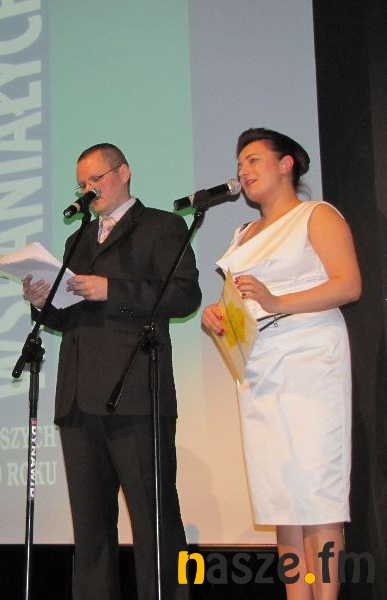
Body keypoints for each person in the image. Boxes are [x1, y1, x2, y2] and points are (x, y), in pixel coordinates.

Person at [22, 143, 201, 600]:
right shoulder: (77, 240)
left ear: (124, 172)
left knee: (155, 519)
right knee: (90, 529)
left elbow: (185, 295)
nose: (88, 190)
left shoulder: (162, 226)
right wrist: (44, 304)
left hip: (134, 393)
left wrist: (112, 289)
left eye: (96, 179)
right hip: (79, 399)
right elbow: (72, 316)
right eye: (82, 184)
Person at [201, 128, 361, 599]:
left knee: (318, 496)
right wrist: (218, 315)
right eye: (240, 164)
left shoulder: (317, 215)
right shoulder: (243, 234)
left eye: (253, 160)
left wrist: (277, 301)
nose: (243, 171)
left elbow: (349, 284)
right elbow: (241, 302)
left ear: (286, 163)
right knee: (283, 501)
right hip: (259, 367)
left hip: (311, 362)